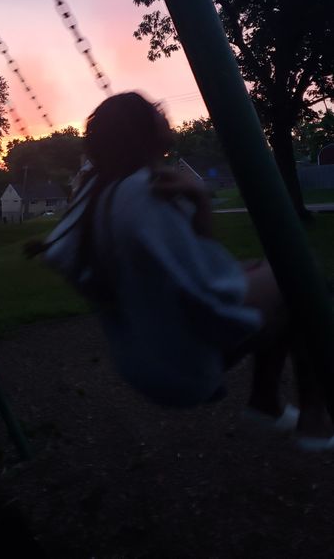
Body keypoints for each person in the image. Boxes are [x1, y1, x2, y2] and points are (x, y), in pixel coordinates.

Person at [32, 91, 333, 449]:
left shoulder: (97, 192)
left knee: (272, 281)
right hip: (179, 362)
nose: (164, 112)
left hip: (140, 354)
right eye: (154, 110)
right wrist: (202, 200)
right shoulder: (147, 193)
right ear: (141, 131)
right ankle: (315, 420)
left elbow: (182, 265)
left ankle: (265, 406)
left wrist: (241, 269)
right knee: (300, 277)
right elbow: (213, 289)